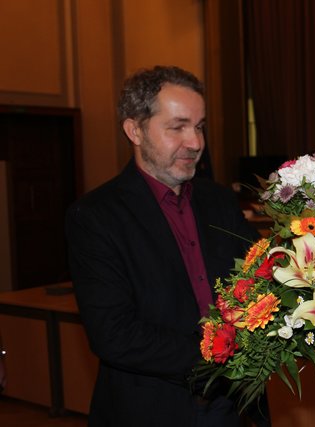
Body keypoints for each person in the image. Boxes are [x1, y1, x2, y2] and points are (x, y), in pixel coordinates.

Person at [65, 66, 268, 426]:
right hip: (153, 408)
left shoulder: (220, 202)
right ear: (135, 130)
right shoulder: (96, 216)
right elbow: (114, 333)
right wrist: (222, 359)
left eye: (200, 126)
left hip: (236, 408)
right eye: (177, 127)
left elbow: (258, 285)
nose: (195, 143)